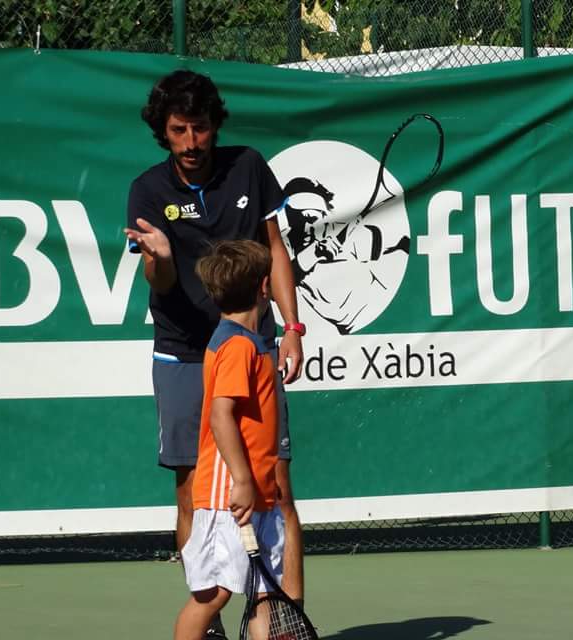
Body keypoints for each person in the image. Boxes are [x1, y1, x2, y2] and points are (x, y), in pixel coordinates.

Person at [124, 70, 306, 637]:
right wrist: (156, 255)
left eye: (199, 128)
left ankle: (279, 615)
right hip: (183, 353)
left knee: (275, 479)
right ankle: (207, 614)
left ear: (213, 126)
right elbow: (160, 283)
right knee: (191, 490)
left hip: (253, 347)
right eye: (179, 130)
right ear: (164, 132)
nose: (191, 142)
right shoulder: (147, 190)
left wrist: (293, 327)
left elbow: (275, 251)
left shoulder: (249, 165)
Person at [174, 239, 283, 640]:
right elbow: (222, 416)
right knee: (213, 594)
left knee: (262, 592)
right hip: (229, 491)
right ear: (265, 286)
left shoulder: (244, 342)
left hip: (254, 489)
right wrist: (240, 479)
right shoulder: (237, 345)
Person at [277, 176, 409, 334]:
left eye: (311, 219)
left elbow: (400, 242)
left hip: (382, 315)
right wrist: (313, 255)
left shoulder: (347, 233)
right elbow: (274, 288)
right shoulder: (281, 244)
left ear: (324, 217)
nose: (305, 226)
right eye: (296, 218)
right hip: (348, 331)